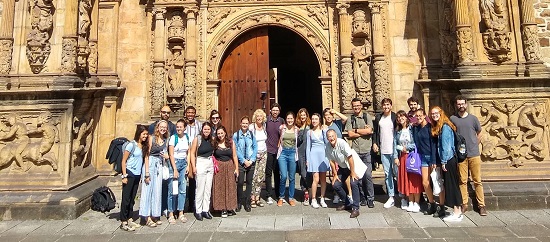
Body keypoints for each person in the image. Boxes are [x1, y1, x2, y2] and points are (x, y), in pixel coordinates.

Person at [450, 96, 487, 216]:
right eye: (459, 104)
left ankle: (481, 205)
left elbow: (480, 131)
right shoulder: (453, 119)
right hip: (461, 155)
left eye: (462, 104)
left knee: (477, 180)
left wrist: (475, 143)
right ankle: (464, 204)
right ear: (456, 105)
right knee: (462, 180)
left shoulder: (473, 119)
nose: (461, 106)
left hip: (474, 153)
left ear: (466, 104)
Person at [430, 106, 463, 222]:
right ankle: (457, 211)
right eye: (432, 113)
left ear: (441, 113)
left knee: (452, 185)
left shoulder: (444, 127)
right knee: (451, 185)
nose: (434, 115)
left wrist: (443, 162)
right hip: (449, 159)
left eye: (436, 113)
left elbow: (446, 147)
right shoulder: (442, 126)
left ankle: (457, 212)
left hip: (448, 159)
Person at [325, 129, 362, 218]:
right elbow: (331, 161)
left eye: (333, 136)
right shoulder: (328, 146)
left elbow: (350, 158)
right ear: (327, 138)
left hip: (352, 166)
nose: (331, 138)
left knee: (353, 183)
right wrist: (335, 174)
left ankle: (356, 208)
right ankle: (347, 203)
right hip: (342, 168)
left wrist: (352, 172)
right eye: (329, 136)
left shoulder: (342, 143)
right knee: (335, 185)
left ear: (336, 136)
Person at [345, 98, 375, 208]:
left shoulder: (367, 117)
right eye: (354, 106)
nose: (356, 107)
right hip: (356, 151)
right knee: (358, 176)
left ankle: (370, 198)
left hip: (366, 149)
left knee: (368, 175)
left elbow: (370, 131)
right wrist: (363, 132)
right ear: (352, 107)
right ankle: (362, 197)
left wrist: (356, 130)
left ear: (361, 106)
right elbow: (350, 134)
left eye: (358, 105)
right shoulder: (350, 119)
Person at [139, 120, 170, 227]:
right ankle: (145, 216)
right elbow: (147, 155)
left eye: (165, 127)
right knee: (147, 190)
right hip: (150, 164)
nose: (163, 129)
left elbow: (165, 153)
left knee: (157, 190)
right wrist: (147, 172)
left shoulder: (165, 139)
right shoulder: (151, 138)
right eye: (161, 127)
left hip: (159, 165)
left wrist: (167, 157)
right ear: (157, 127)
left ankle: (154, 214)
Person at [119, 125, 149, 231]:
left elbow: (145, 159)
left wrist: (146, 173)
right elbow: (123, 161)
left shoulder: (144, 146)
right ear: (139, 134)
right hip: (129, 173)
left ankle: (129, 217)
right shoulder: (131, 145)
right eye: (143, 134)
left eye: (146, 134)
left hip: (137, 175)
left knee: (132, 198)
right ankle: (123, 221)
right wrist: (124, 175)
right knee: (126, 198)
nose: (145, 136)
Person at [393, 110, 423, 213]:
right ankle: (410, 201)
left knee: (414, 179)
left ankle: (417, 202)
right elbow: (395, 144)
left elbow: (416, 142)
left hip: (412, 156)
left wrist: (407, 147)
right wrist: (396, 157)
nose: (400, 119)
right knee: (406, 180)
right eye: (398, 117)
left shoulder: (412, 128)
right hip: (402, 157)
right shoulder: (397, 131)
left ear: (406, 117)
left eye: (402, 116)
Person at [372, 98, 398, 209]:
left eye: (388, 105)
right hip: (384, 149)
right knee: (388, 174)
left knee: (397, 173)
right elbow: (376, 132)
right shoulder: (379, 117)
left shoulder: (395, 117)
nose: (386, 107)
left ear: (391, 106)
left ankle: (403, 196)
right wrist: (375, 143)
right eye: (384, 105)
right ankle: (391, 196)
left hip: (395, 149)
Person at [413, 108, 438, 215]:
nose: (418, 117)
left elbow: (433, 144)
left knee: (437, 181)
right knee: (425, 182)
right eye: (416, 116)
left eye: (420, 115)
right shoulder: (417, 128)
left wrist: (433, 159)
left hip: (431, 156)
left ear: (424, 116)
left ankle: (440, 204)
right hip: (423, 157)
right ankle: (432, 203)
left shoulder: (429, 127)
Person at [322, 108, 348, 204]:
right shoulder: (323, 127)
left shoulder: (337, 123)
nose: (328, 117)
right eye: (326, 115)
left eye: (329, 115)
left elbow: (346, 119)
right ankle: (336, 194)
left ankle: (346, 193)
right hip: (331, 152)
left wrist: (336, 112)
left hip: (341, 151)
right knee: (334, 173)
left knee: (344, 172)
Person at [212, 126, 239, 218]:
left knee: (230, 186)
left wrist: (236, 168)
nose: (220, 135)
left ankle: (229, 207)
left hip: (229, 165)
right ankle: (222, 208)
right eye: (218, 133)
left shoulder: (231, 143)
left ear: (225, 133)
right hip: (219, 167)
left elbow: (234, 156)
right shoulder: (215, 143)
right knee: (220, 187)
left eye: (221, 133)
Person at [189, 122, 214, 221]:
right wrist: (194, 166)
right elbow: (191, 153)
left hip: (210, 162)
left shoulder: (212, 139)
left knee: (208, 188)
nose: (206, 131)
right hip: (200, 162)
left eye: (208, 129)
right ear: (202, 130)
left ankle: (205, 210)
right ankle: (198, 210)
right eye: (205, 129)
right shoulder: (198, 139)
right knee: (200, 188)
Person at [167, 119, 191, 224]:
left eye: (181, 127)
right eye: (177, 127)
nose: (179, 128)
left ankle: (181, 212)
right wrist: (175, 169)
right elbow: (171, 154)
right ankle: (171, 213)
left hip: (183, 164)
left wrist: (188, 165)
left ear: (185, 128)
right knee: (172, 190)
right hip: (175, 164)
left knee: (182, 189)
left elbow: (188, 152)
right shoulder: (173, 138)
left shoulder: (187, 137)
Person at [306, 113, 330, 209]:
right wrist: (308, 159)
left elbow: (327, 142)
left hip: (323, 155)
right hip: (313, 155)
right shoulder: (309, 132)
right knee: (316, 178)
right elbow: (308, 147)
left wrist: (325, 131)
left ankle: (322, 198)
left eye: (316, 119)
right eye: (313, 119)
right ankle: (314, 199)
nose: (314, 121)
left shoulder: (324, 130)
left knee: (323, 179)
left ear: (319, 120)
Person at [234, 116, 257, 212]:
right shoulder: (236, 135)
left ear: (249, 124)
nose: (244, 125)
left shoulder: (251, 135)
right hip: (241, 162)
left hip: (250, 162)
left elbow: (255, 148)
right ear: (240, 124)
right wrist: (243, 161)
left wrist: (251, 160)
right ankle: (238, 201)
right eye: (243, 123)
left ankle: (247, 202)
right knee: (239, 182)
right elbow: (235, 149)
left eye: (246, 123)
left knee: (249, 182)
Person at [277, 111, 299, 207]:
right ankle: (281, 197)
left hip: (292, 153)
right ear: (286, 119)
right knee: (283, 176)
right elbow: (279, 138)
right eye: (288, 118)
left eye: (291, 118)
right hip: (283, 153)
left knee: (292, 177)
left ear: (294, 119)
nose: (289, 120)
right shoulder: (282, 128)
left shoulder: (297, 130)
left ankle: (291, 198)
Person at [265, 103, 284, 205]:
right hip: (268, 150)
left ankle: (278, 194)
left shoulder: (281, 121)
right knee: (268, 174)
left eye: (277, 110)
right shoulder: (266, 120)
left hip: (278, 151)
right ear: (270, 111)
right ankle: (268, 195)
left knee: (277, 173)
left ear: (279, 112)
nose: (275, 112)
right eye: (273, 110)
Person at [184, 106, 202, 213]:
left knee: (193, 179)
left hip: (195, 153)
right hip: (184, 152)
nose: (190, 114)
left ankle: (192, 204)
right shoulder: (183, 124)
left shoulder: (199, 125)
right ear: (185, 113)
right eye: (188, 112)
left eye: (192, 113)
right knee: (183, 179)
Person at [249, 109, 268, 208]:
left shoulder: (264, 127)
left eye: (261, 116)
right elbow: (248, 142)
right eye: (257, 116)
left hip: (264, 153)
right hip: (254, 154)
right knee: (254, 176)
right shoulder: (251, 128)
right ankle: (252, 197)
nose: (259, 118)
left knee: (260, 176)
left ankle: (258, 197)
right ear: (255, 118)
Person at [296, 108, 311, 206]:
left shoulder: (310, 127)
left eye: (304, 115)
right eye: (301, 115)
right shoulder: (297, 127)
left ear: (307, 116)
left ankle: (308, 193)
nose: (302, 117)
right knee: (302, 173)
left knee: (306, 174)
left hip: (307, 153)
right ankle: (305, 190)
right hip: (299, 153)